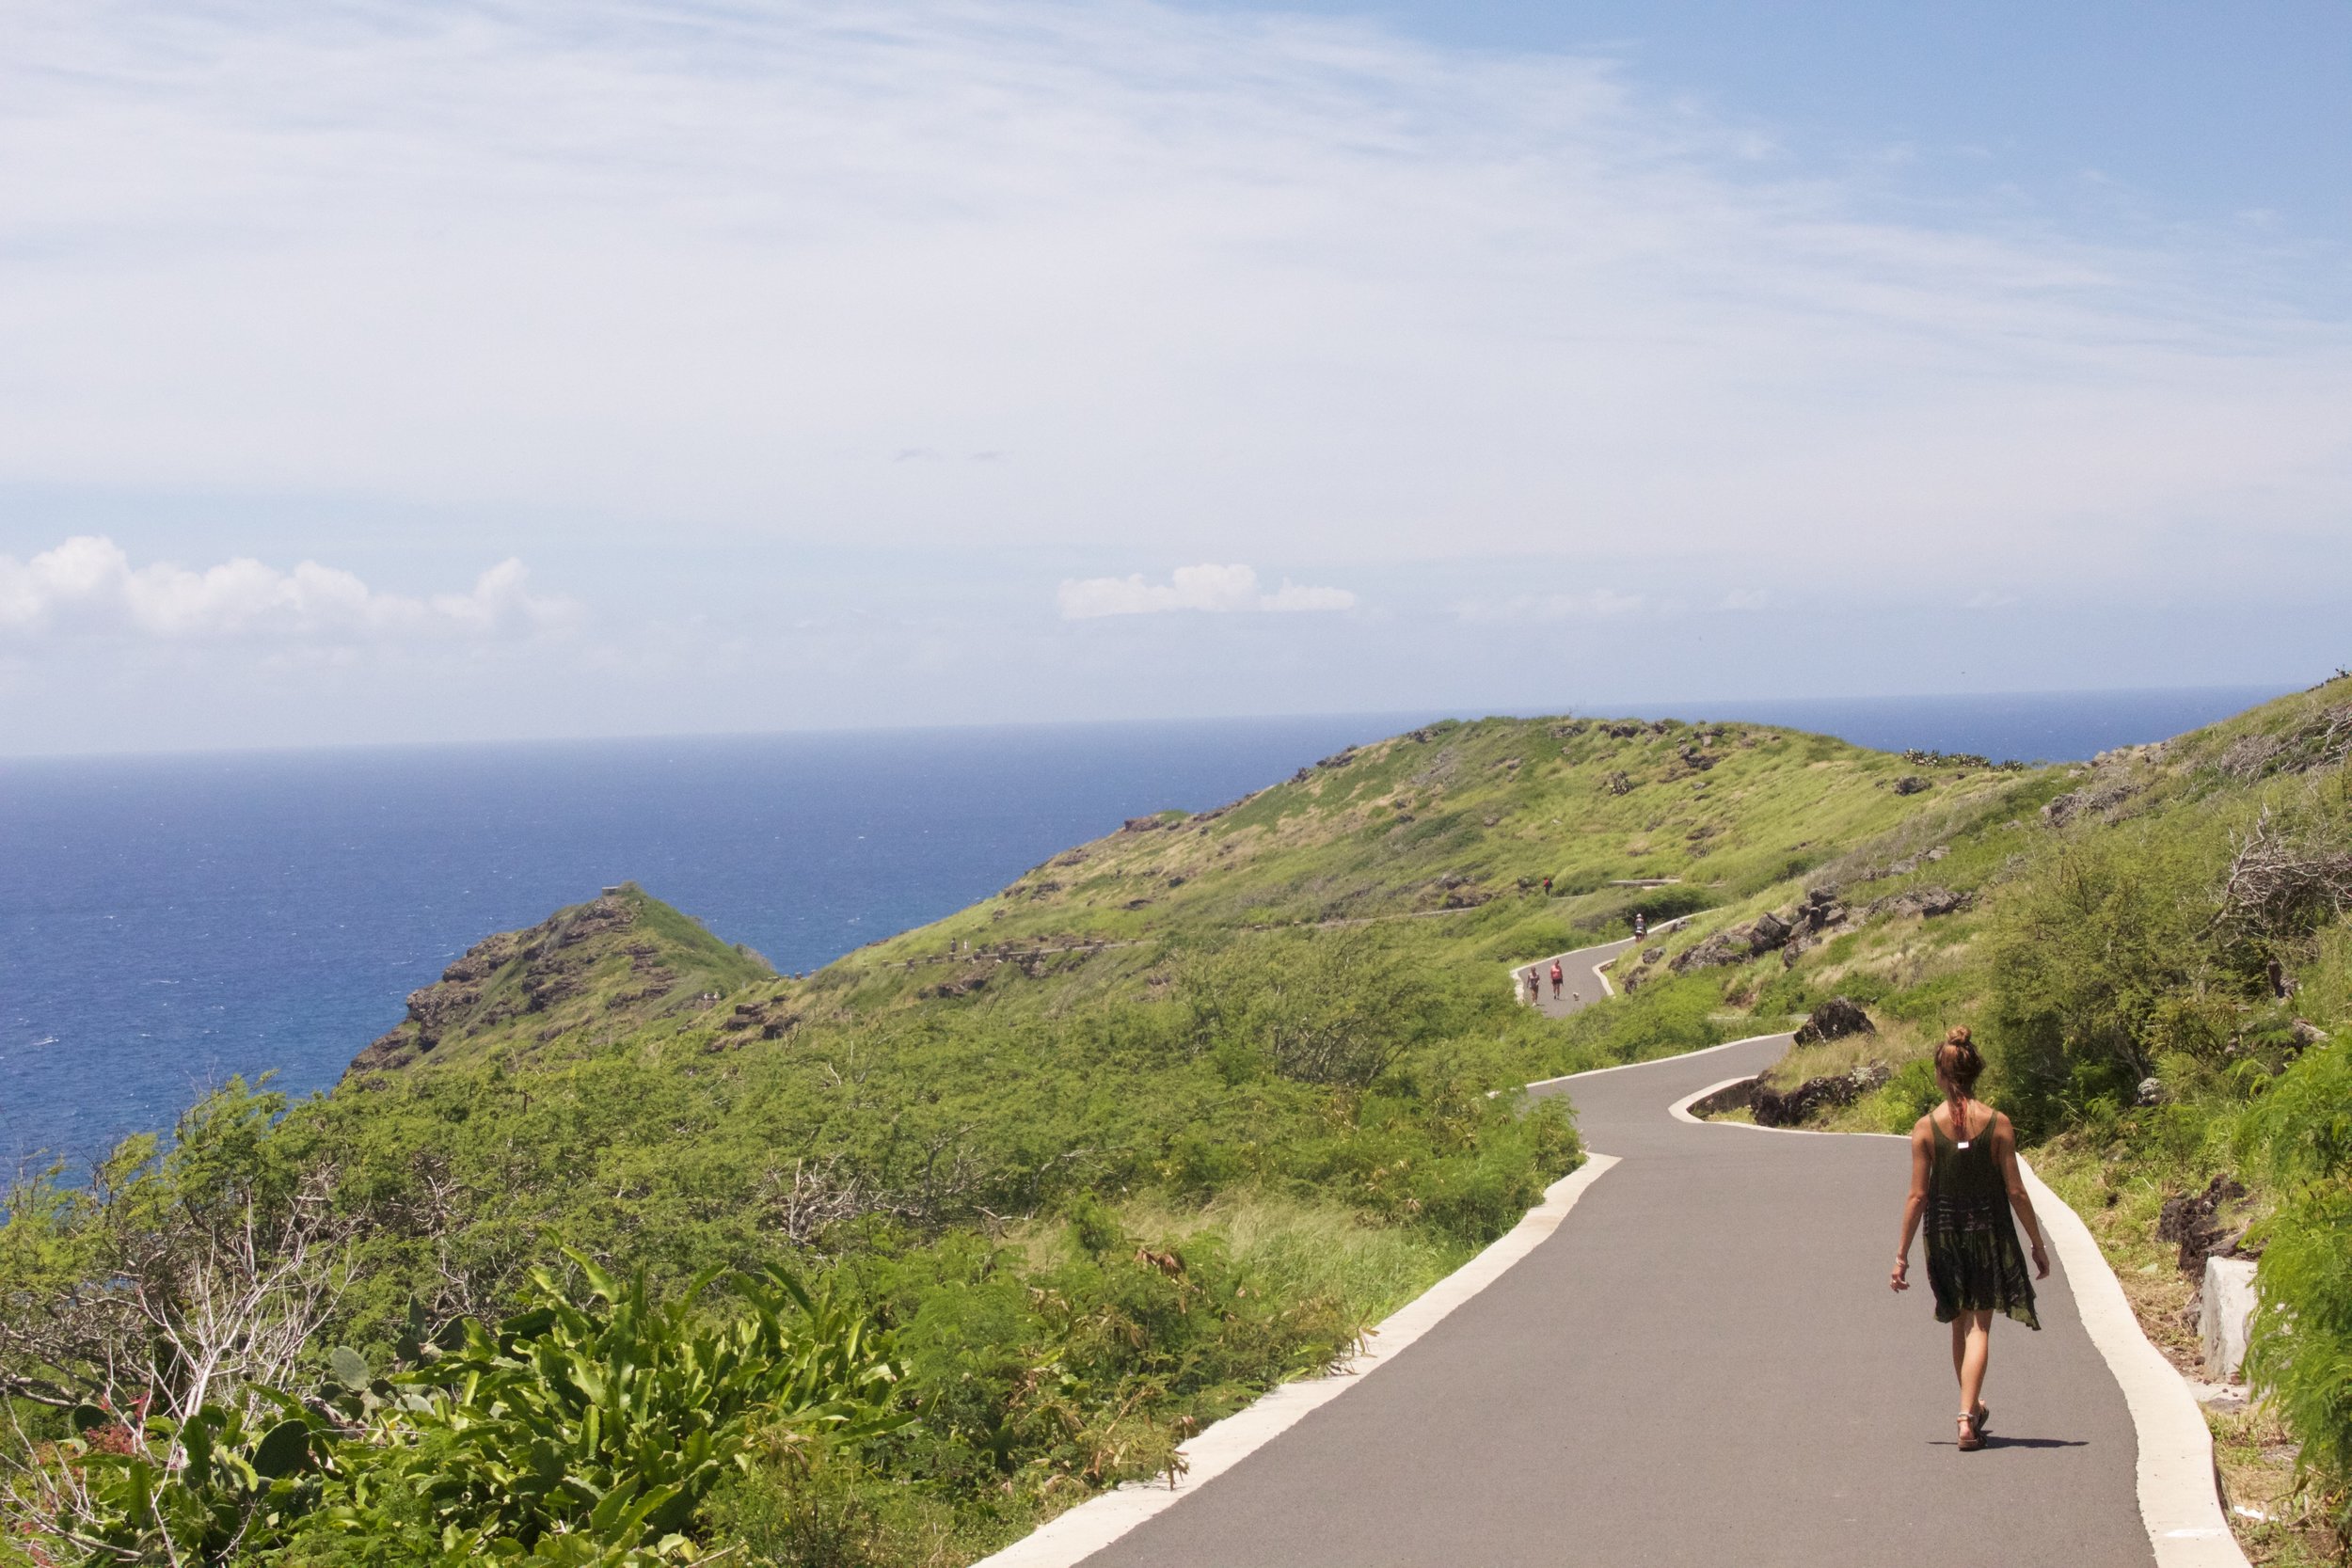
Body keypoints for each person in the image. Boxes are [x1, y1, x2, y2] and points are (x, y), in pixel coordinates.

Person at [1891, 1027, 2049, 1452]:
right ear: (1975, 1072)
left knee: (1959, 1325)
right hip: (1987, 1233)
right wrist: (2036, 1243)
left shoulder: (1925, 1128)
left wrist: (1901, 1256)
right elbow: (2015, 1191)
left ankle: (1972, 1406)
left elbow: (1918, 1195)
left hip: (1943, 1236)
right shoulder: (1999, 1124)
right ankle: (1966, 1418)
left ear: (1941, 1075)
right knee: (1980, 1326)